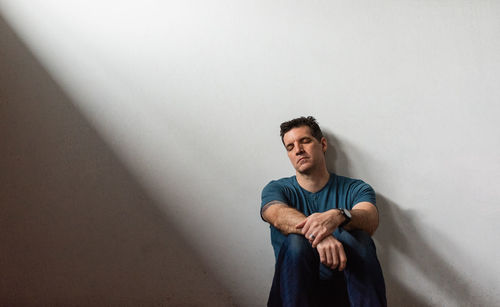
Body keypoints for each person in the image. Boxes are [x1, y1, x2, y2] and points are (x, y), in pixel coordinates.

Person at [261, 116, 387, 307]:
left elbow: (370, 219)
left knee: (360, 238)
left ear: (323, 144)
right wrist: (320, 234)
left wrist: (338, 215)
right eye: (290, 147)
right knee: (296, 243)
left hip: (347, 292)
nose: (298, 150)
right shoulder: (277, 189)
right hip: (293, 292)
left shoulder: (356, 188)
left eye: (305, 141)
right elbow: (276, 215)